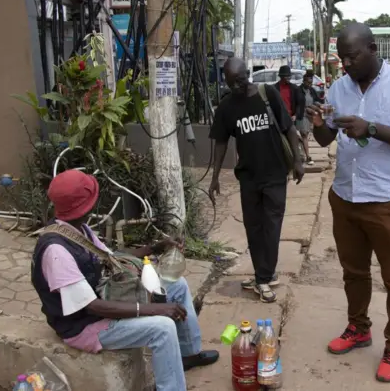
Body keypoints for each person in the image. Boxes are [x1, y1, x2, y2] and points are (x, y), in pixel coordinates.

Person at [305, 23, 390, 384]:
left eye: (352, 56)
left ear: (373, 49)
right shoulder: (338, 87)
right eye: (342, 58)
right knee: (354, 273)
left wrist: (371, 128)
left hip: (387, 200)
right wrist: (318, 123)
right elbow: (326, 136)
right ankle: (358, 329)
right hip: (345, 197)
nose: (345, 64)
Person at [31, 170, 219, 391]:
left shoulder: (76, 229)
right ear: (86, 205)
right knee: (163, 327)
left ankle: (188, 354)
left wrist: (156, 247)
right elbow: (91, 306)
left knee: (176, 286)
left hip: (102, 300)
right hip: (84, 326)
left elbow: (113, 259)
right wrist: (153, 309)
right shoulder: (56, 251)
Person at [208, 57, 304, 303]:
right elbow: (220, 143)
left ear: (247, 74)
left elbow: (289, 129)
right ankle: (266, 274)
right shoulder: (227, 106)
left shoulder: (267, 94)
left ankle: (263, 278)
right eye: (231, 83)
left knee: (271, 228)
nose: (237, 86)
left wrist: (298, 161)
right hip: (249, 178)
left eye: (240, 80)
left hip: (274, 175)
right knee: (254, 228)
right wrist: (215, 176)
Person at [297, 70, 324, 165]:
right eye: (308, 82)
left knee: (306, 135)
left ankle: (301, 146)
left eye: (311, 83)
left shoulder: (312, 90)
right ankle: (308, 156)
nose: (309, 84)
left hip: (310, 115)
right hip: (301, 114)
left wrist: (320, 104)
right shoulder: (298, 90)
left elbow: (317, 100)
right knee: (304, 134)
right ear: (304, 81)